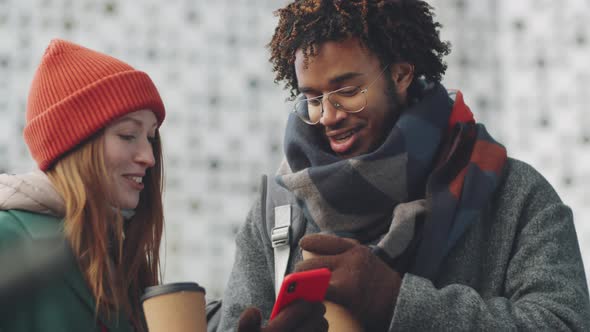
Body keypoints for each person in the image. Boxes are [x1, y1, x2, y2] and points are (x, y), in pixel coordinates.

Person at [218, 0, 590, 331]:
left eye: (347, 92)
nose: (329, 116)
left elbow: (565, 322)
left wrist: (394, 300)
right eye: (313, 98)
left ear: (400, 75)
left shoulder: (514, 194)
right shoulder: (276, 210)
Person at [0, 39, 166, 332]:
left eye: (151, 138)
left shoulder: (121, 259)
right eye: (128, 135)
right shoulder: (8, 238)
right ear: (74, 146)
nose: (149, 157)